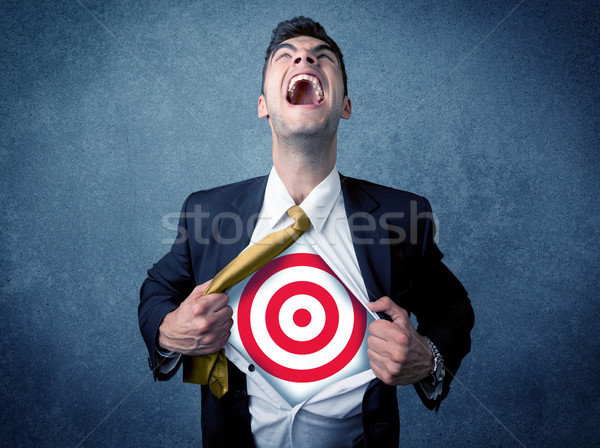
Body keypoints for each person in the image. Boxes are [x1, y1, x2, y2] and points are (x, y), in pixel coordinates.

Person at [139, 16, 474, 448]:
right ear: (263, 104)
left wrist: (428, 358)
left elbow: (452, 305)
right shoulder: (207, 211)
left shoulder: (402, 216)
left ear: (345, 105)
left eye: (323, 57)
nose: (304, 56)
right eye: (287, 55)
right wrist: (168, 332)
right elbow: (157, 290)